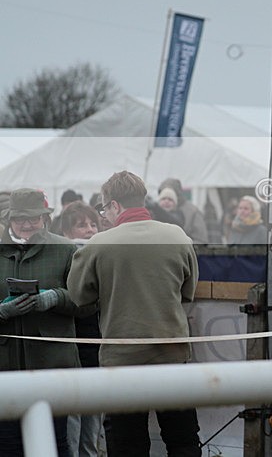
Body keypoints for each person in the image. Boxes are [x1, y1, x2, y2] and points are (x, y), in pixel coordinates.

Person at [67, 171, 201, 457]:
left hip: (122, 358)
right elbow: (188, 292)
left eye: (104, 208)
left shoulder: (98, 245)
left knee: (127, 446)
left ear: (114, 205)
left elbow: (79, 297)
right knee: (183, 440)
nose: (105, 215)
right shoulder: (177, 236)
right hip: (172, 354)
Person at [0, 188, 90, 457]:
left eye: (34, 218)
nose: (27, 224)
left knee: (54, 445)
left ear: (45, 218)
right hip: (5, 372)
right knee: (8, 447)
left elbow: (87, 303)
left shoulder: (64, 250)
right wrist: (2, 312)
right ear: (9, 219)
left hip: (53, 367)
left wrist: (55, 298)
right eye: (20, 219)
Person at [60, 202, 103, 457]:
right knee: (73, 412)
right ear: (66, 232)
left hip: (95, 344)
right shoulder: (65, 257)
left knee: (93, 413)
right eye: (81, 225)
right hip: (70, 342)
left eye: (93, 223)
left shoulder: (102, 254)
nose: (89, 229)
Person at [158, 178, 208, 243]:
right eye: (163, 198)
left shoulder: (192, 212)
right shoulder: (155, 212)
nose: (166, 201)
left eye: (169, 198)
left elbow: (201, 241)